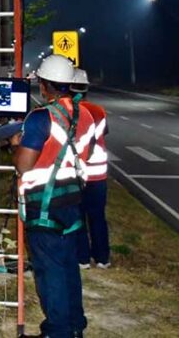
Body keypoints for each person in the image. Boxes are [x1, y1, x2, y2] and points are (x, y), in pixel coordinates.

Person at [0, 55, 91, 338]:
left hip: (45, 207)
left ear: (45, 86)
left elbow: (23, 165)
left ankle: (57, 332)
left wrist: (13, 145)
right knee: (69, 266)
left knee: (50, 273)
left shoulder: (40, 118)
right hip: (72, 201)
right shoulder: (85, 115)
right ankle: (74, 327)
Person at [71, 69, 111, 270]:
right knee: (97, 216)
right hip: (98, 174)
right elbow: (103, 133)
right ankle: (102, 258)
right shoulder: (99, 111)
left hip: (77, 173)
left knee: (77, 216)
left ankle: (82, 258)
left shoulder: (68, 111)